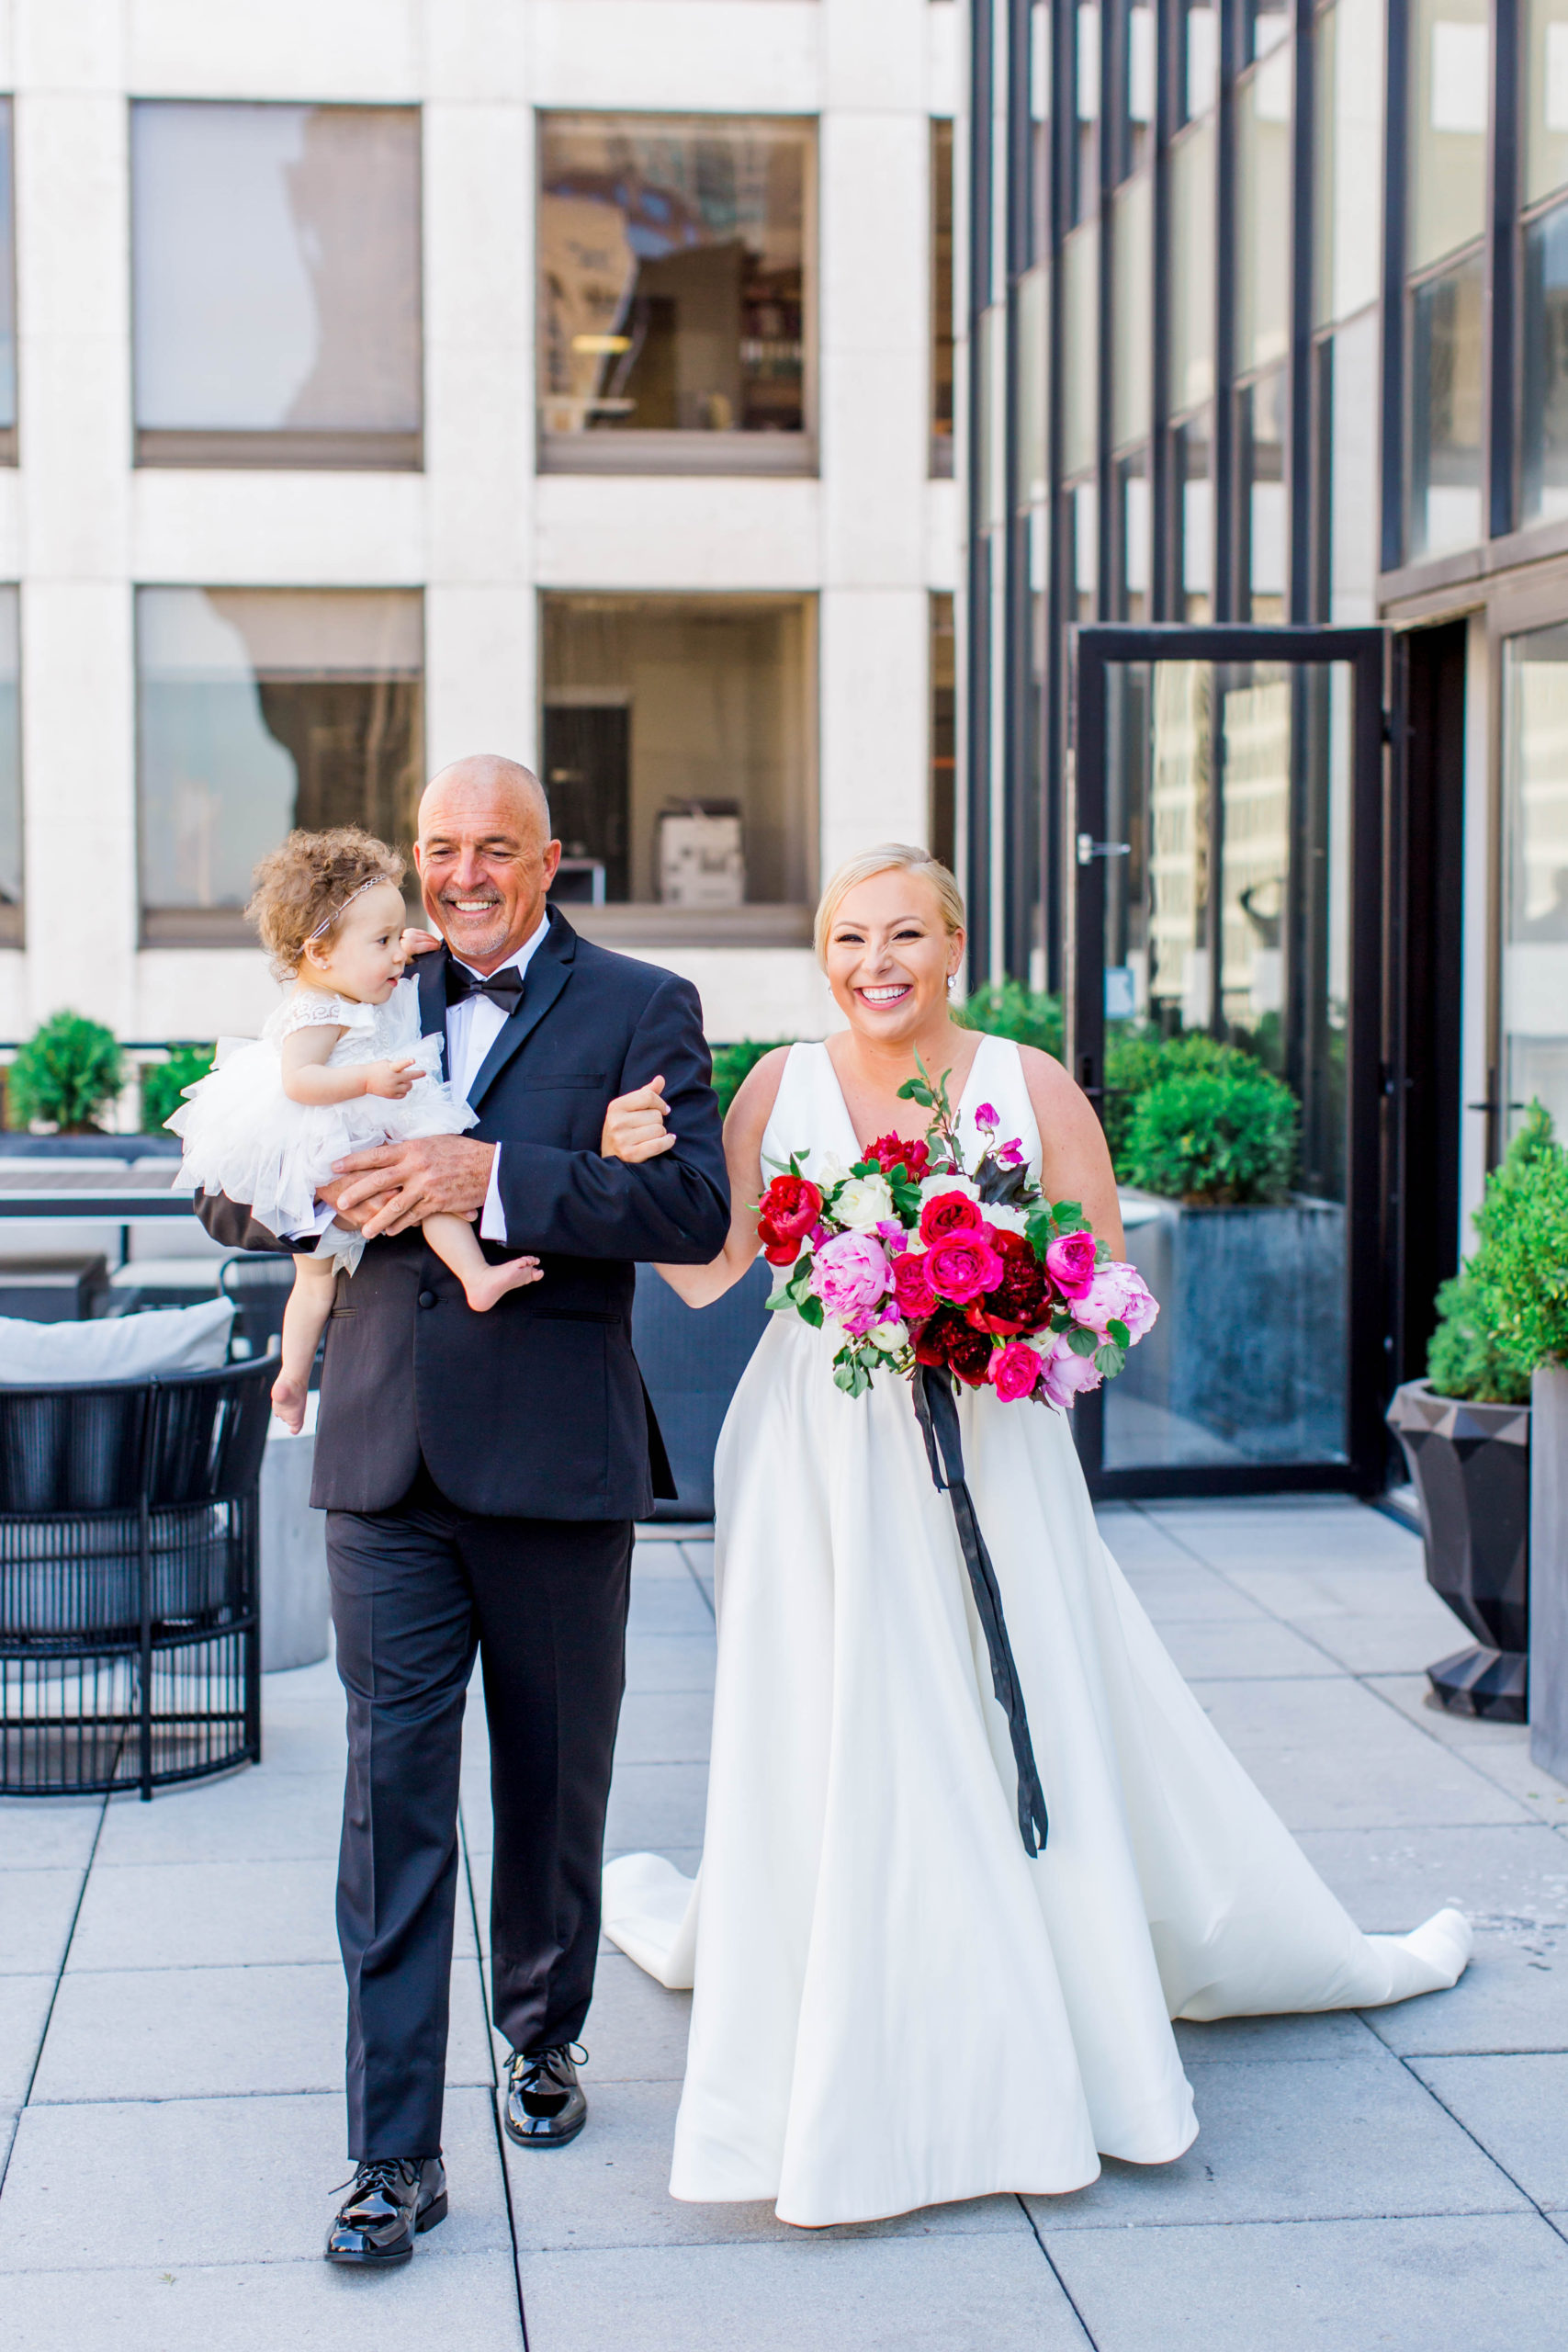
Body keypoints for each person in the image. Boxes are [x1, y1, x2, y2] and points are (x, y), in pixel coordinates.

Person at [599, 842, 1472, 2232]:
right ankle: (859, 2007)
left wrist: (994, 1318)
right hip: (817, 1460)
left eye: (900, 936)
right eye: (844, 941)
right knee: (846, 1717)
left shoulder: (1029, 1082)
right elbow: (712, 1277)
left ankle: (1028, 2006)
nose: (872, 965)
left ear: (954, 943)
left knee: (1009, 1711)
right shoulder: (777, 1085)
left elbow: (1109, 1293)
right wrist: (637, 1175)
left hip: (993, 1454)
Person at [194, 755, 730, 2267]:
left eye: (496, 847)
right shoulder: (351, 974)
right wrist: (318, 1196)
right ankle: (389, 2155)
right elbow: (232, 1179)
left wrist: (491, 1171)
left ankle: (542, 2031)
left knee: (555, 1779)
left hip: (558, 1459)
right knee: (392, 1796)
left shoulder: (642, 1007)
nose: (464, 874)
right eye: (442, 847)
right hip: (382, 1458)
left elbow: (688, 1212)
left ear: (550, 857)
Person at [169, 828, 543, 1434]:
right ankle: (463, 1280)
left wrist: (405, 943)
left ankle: (295, 1377)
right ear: (320, 953)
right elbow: (299, 1082)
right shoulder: (314, 1009)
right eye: (383, 941)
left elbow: (384, 956)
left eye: (399, 937)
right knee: (400, 1206)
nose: (399, 955)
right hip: (322, 1134)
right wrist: (368, 1079)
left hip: (350, 1127)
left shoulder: (354, 976)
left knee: (335, 1265)